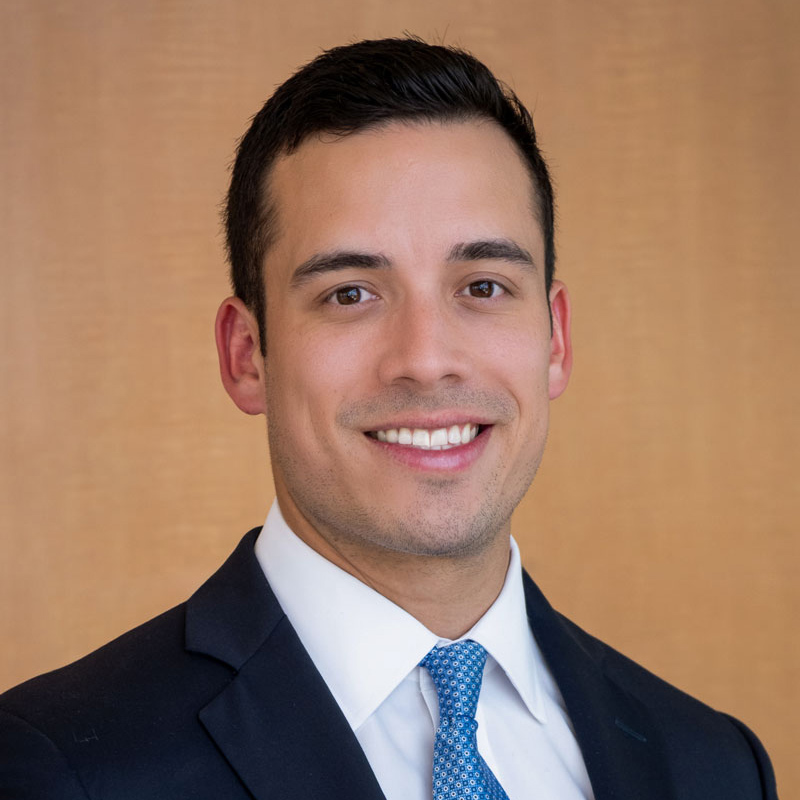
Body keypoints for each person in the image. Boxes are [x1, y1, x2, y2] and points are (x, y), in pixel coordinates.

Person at [0, 36, 778, 800]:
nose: (426, 358)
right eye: (350, 293)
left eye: (482, 286)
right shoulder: (59, 767)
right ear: (246, 355)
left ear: (556, 340)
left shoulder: (713, 764)